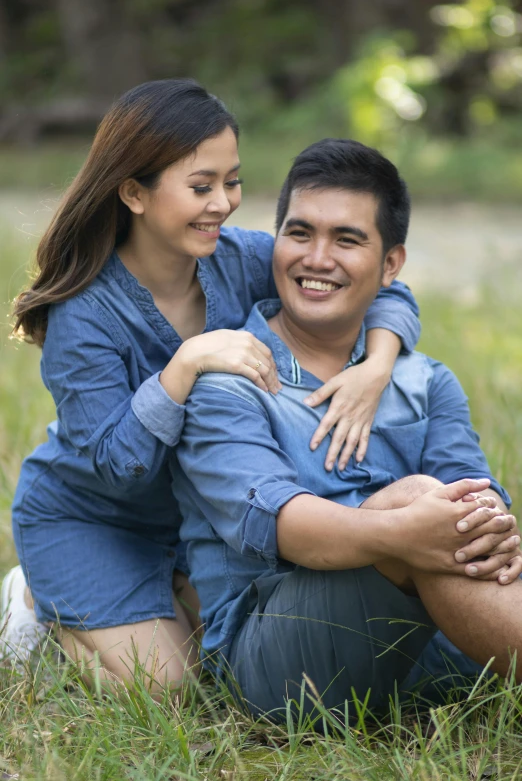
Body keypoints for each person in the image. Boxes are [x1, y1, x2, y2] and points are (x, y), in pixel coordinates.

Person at [0, 81, 421, 691]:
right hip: (94, 518)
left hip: (197, 519)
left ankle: (163, 594)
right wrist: (183, 365)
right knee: (170, 688)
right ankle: (36, 602)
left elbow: (372, 285)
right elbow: (116, 467)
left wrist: (376, 364)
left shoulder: (240, 260)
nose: (223, 203)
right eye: (201, 187)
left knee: (230, 661)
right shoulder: (83, 313)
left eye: (232, 181)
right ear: (133, 193)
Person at [171, 138, 522, 719]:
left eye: (348, 239)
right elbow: (280, 526)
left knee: (455, 506)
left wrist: (490, 524)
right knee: (416, 498)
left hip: (428, 649)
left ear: (391, 265)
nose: (317, 258)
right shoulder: (225, 381)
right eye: (300, 233)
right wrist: (411, 527)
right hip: (282, 666)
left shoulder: (424, 380)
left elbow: (473, 491)